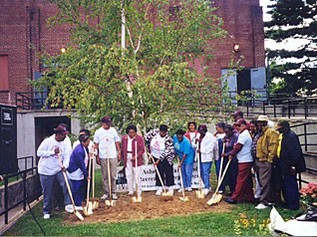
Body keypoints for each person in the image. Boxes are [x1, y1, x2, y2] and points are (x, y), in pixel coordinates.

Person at [37, 124, 73, 219]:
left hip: (58, 168)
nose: (65, 137)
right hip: (46, 170)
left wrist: (65, 165)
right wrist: (52, 153)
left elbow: (67, 156)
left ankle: (68, 204)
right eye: (64, 135)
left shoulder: (65, 142)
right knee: (47, 192)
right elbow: (39, 153)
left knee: (66, 183)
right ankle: (46, 211)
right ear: (58, 134)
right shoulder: (47, 141)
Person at [276, 120, 306, 210]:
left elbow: (295, 153)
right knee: (285, 185)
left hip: (290, 166)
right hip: (283, 164)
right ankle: (287, 202)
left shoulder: (291, 137)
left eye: (280, 129)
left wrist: (293, 166)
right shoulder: (284, 136)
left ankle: (293, 205)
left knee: (290, 185)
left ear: (285, 127)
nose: (278, 131)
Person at [252, 115, 279, 209]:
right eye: (258, 122)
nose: (259, 123)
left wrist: (269, 160)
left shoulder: (271, 132)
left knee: (264, 182)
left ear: (265, 123)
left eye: (261, 122)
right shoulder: (259, 132)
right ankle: (270, 199)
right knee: (262, 181)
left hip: (264, 161)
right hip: (257, 159)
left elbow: (273, 146)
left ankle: (264, 201)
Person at [225, 119, 254, 204]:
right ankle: (250, 197)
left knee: (240, 179)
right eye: (236, 126)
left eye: (239, 125)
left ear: (244, 125)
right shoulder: (243, 134)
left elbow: (238, 147)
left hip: (245, 160)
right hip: (244, 159)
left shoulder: (244, 134)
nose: (237, 127)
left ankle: (235, 197)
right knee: (247, 180)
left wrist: (232, 154)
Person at [93, 116, 121, 200]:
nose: (108, 124)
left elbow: (116, 142)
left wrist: (119, 152)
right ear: (103, 123)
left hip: (112, 155)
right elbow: (96, 145)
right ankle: (106, 192)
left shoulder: (113, 130)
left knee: (113, 175)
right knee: (105, 175)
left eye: (109, 123)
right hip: (103, 155)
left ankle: (113, 192)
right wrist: (97, 156)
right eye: (106, 123)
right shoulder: (98, 132)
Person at [145, 125, 175, 196]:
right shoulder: (154, 133)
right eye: (162, 132)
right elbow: (146, 138)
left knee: (168, 171)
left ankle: (170, 187)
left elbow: (167, 151)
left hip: (167, 157)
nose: (163, 134)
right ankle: (159, 187)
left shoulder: (169, 139)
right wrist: (148, 148)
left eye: (164, 132)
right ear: (159, 131)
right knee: (159, 171)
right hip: (155, 154)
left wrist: (159, 160)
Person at [67, 133, 91, 210]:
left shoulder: (85, 148)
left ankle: (78, 203)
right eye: (87, 141)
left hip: (80, 170)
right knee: (76, 187)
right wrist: (86, 174)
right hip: (75, 171)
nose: (89, 143)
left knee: (80, 187)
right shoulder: (79, 151)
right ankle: (73, 204)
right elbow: (81, 164)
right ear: (82, 142)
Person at [121, 125, 145, 196]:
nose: (132, 134)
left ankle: (138, 191)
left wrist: (136, 156)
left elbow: (142, 149)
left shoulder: (139, 139)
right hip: (127, 156)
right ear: (127, 133)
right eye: (130, 133)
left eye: (133, 132)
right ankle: (130, 191)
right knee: (128, 175)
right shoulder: (124, 139)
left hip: (136, 157)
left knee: (137, 175)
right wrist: (123, 157)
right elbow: (123, 148)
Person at [196, 125, 218, 195]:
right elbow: (194, 145)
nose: (201, 133)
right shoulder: (198, 135)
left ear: (205, 131)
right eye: (200, 131)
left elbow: (210, 147)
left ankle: (207, 187)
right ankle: (205, 185)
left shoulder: (210, 137)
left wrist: (201, 150)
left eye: (202, 131)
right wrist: (196, 142)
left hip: (206, 157)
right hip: (200, 157)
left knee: (206, 172)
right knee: (201, 172)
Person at [219, 124, 239, 194]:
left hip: (233, 158)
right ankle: (230, 189)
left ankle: (234, 190)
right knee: (228, 174)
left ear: (231, 131)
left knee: (233, 175)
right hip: (226, 158)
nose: (226, 133)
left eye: (227, 132)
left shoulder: (235, 137)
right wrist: (223, 140)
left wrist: (227, 154)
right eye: (225, 132)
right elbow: (224, 142)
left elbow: (235, 148)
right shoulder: (226, 136)